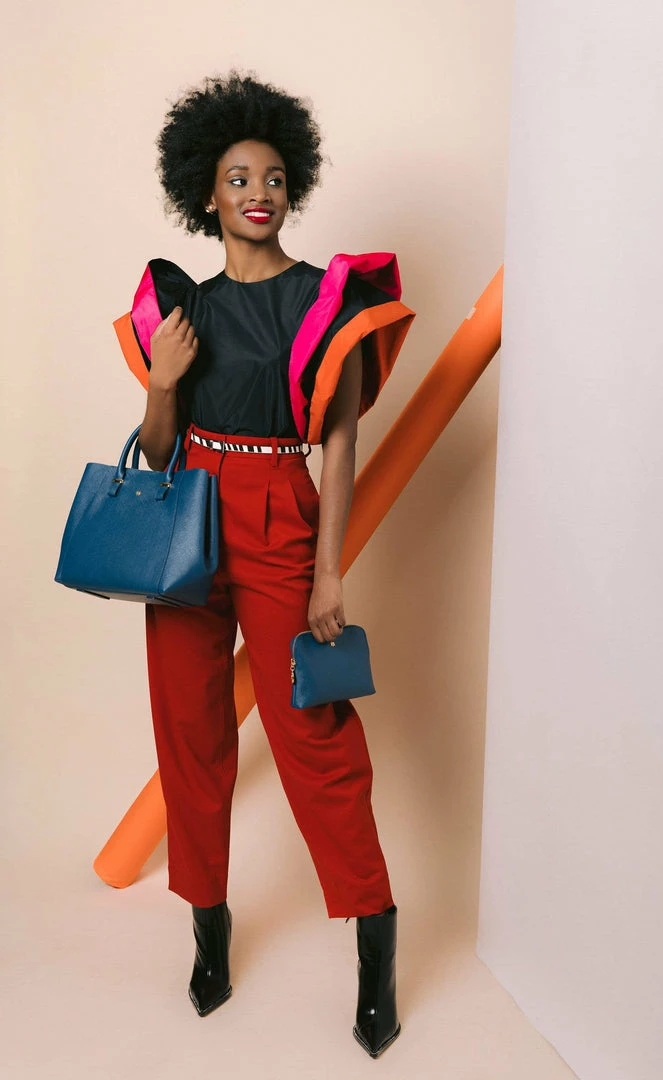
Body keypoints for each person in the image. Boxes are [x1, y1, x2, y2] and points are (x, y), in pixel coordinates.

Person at [112, 71, 415, 1057]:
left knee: (314, 733)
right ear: (206, 193)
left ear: (293, 191)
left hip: (283, 508)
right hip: (189, 512)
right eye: (239, 177)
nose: (258, 191)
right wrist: (161, 385)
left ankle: (375, 946)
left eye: (274, 177)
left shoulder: (325, 301)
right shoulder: (184, 308)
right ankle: (209, 930)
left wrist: (329, 573)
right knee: (189, 730)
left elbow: (341, 439)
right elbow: (159, 451)